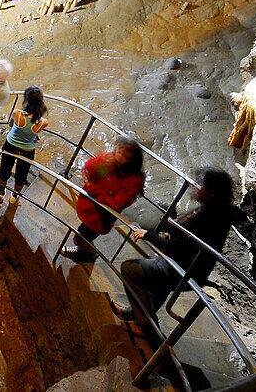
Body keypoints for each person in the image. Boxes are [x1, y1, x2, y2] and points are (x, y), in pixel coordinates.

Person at [112, 167, 246, 330]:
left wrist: (148, 235)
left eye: (199, 184)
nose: (193, 185)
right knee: (157, 283)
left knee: (129, 269)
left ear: (211, 192)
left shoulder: (204, 220)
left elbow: (172, 249)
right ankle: (138, 313)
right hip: (192, 271)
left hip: (180, 271)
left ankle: (145, 322)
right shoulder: (221, 210)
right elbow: (239, 215)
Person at [62, 135, 146, 264]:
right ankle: (86, 252)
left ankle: (88, 255)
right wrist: (102, 161)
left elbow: (116, 204)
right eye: (118, 152)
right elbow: (89, 169)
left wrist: (93, 189)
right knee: (83, 235)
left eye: (125, 156)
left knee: (80, 238)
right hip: (90, 207)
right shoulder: (111, 162)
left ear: (133, 160)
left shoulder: (134, 180)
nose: (119, 157)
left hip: (101, 216)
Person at [0, 86, 49, 206]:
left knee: (4, 172)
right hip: (27, 151)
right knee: (21, 177)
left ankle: (1, 194)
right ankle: (14, 197)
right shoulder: (43, 122)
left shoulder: (17, 113)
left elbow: (11, 124)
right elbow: (33, 133)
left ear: (26, 101)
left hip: (10, 146)